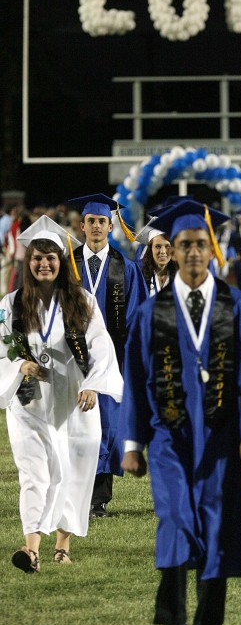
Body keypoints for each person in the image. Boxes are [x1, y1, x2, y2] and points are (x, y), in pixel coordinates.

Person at [118, 199, 241, 625]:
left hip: (224, 440)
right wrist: (132, 443)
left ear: (213, 249)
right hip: (170, 439)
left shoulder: (240, 307)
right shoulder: (153, 312)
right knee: (174, 521)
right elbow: (137, 377)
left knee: (217, 528)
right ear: (171, 248)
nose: (191, 252)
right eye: (182, 244)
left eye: (199, 244)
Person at [0, 216, 123, 572]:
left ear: (61, 261)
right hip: (29, 402)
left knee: (74, 470)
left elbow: (101, 344)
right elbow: (1, 347)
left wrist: (93, 383)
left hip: (73, 399)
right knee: (34, 473)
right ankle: (31, 549)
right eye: (37, 257)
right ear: (28, 262)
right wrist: (18, 366)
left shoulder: (81, 300)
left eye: (51, 257)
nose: (44, 263)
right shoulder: (11, 304)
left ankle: (63, 545)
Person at [68, 194, 147, 517]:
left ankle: (98, 499)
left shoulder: (125, 268)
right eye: (91, 221)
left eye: (102, 221)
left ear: (111, 226)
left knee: (107, 426)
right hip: (71, 358)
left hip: (113, 358)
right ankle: (74, 492)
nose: (97, 226)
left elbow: (138, 314)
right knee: (76, 424)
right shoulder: (66, 265)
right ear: (82, 226)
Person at [138, 226, 177, 296]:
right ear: (150, 250)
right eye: (158, 246)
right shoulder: (138, 276)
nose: (163, 251)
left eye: (167, 246)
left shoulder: (181, 275)